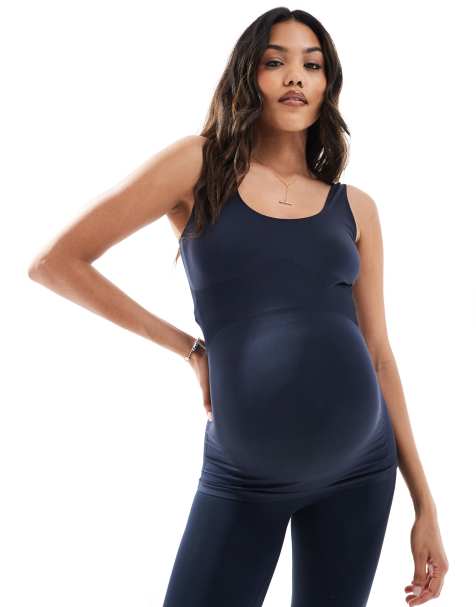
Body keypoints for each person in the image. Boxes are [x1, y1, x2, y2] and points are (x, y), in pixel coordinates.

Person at [28, 7, 449, 607]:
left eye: (312, 65)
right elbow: (57, 262)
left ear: (328, 86)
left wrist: (425, 504)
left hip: (362, 473)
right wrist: (189, 349)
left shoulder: (356, 208)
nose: (295, 76)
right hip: (244, 475)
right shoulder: (197, 166)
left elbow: (379, 354)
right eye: (276, 62)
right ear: (248, 75)